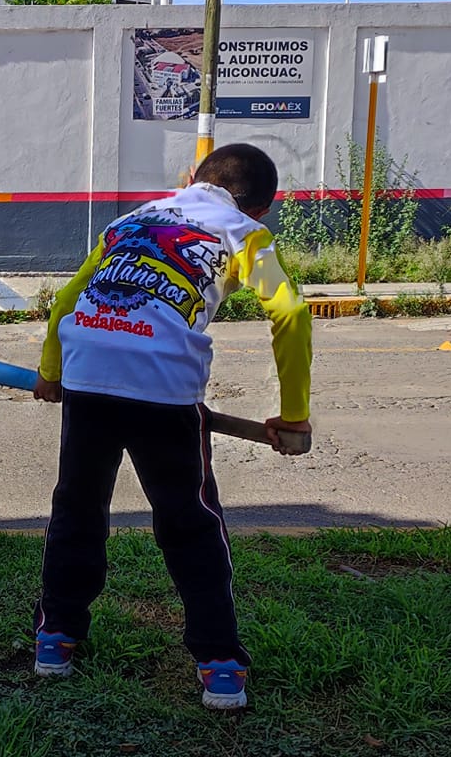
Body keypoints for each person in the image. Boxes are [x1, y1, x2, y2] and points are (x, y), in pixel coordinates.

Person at [29, 143, 312, 711]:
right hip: (163, 384)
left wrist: (51, 372)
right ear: (260, 209)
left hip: (88, 367)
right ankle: (221, 666)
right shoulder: (243, 232)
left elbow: (67, 299)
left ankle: (55, 640)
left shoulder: (130, 220)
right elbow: (290, 311)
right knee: (190, 521)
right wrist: (295, 415)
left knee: (78, 506)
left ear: (190, 179)